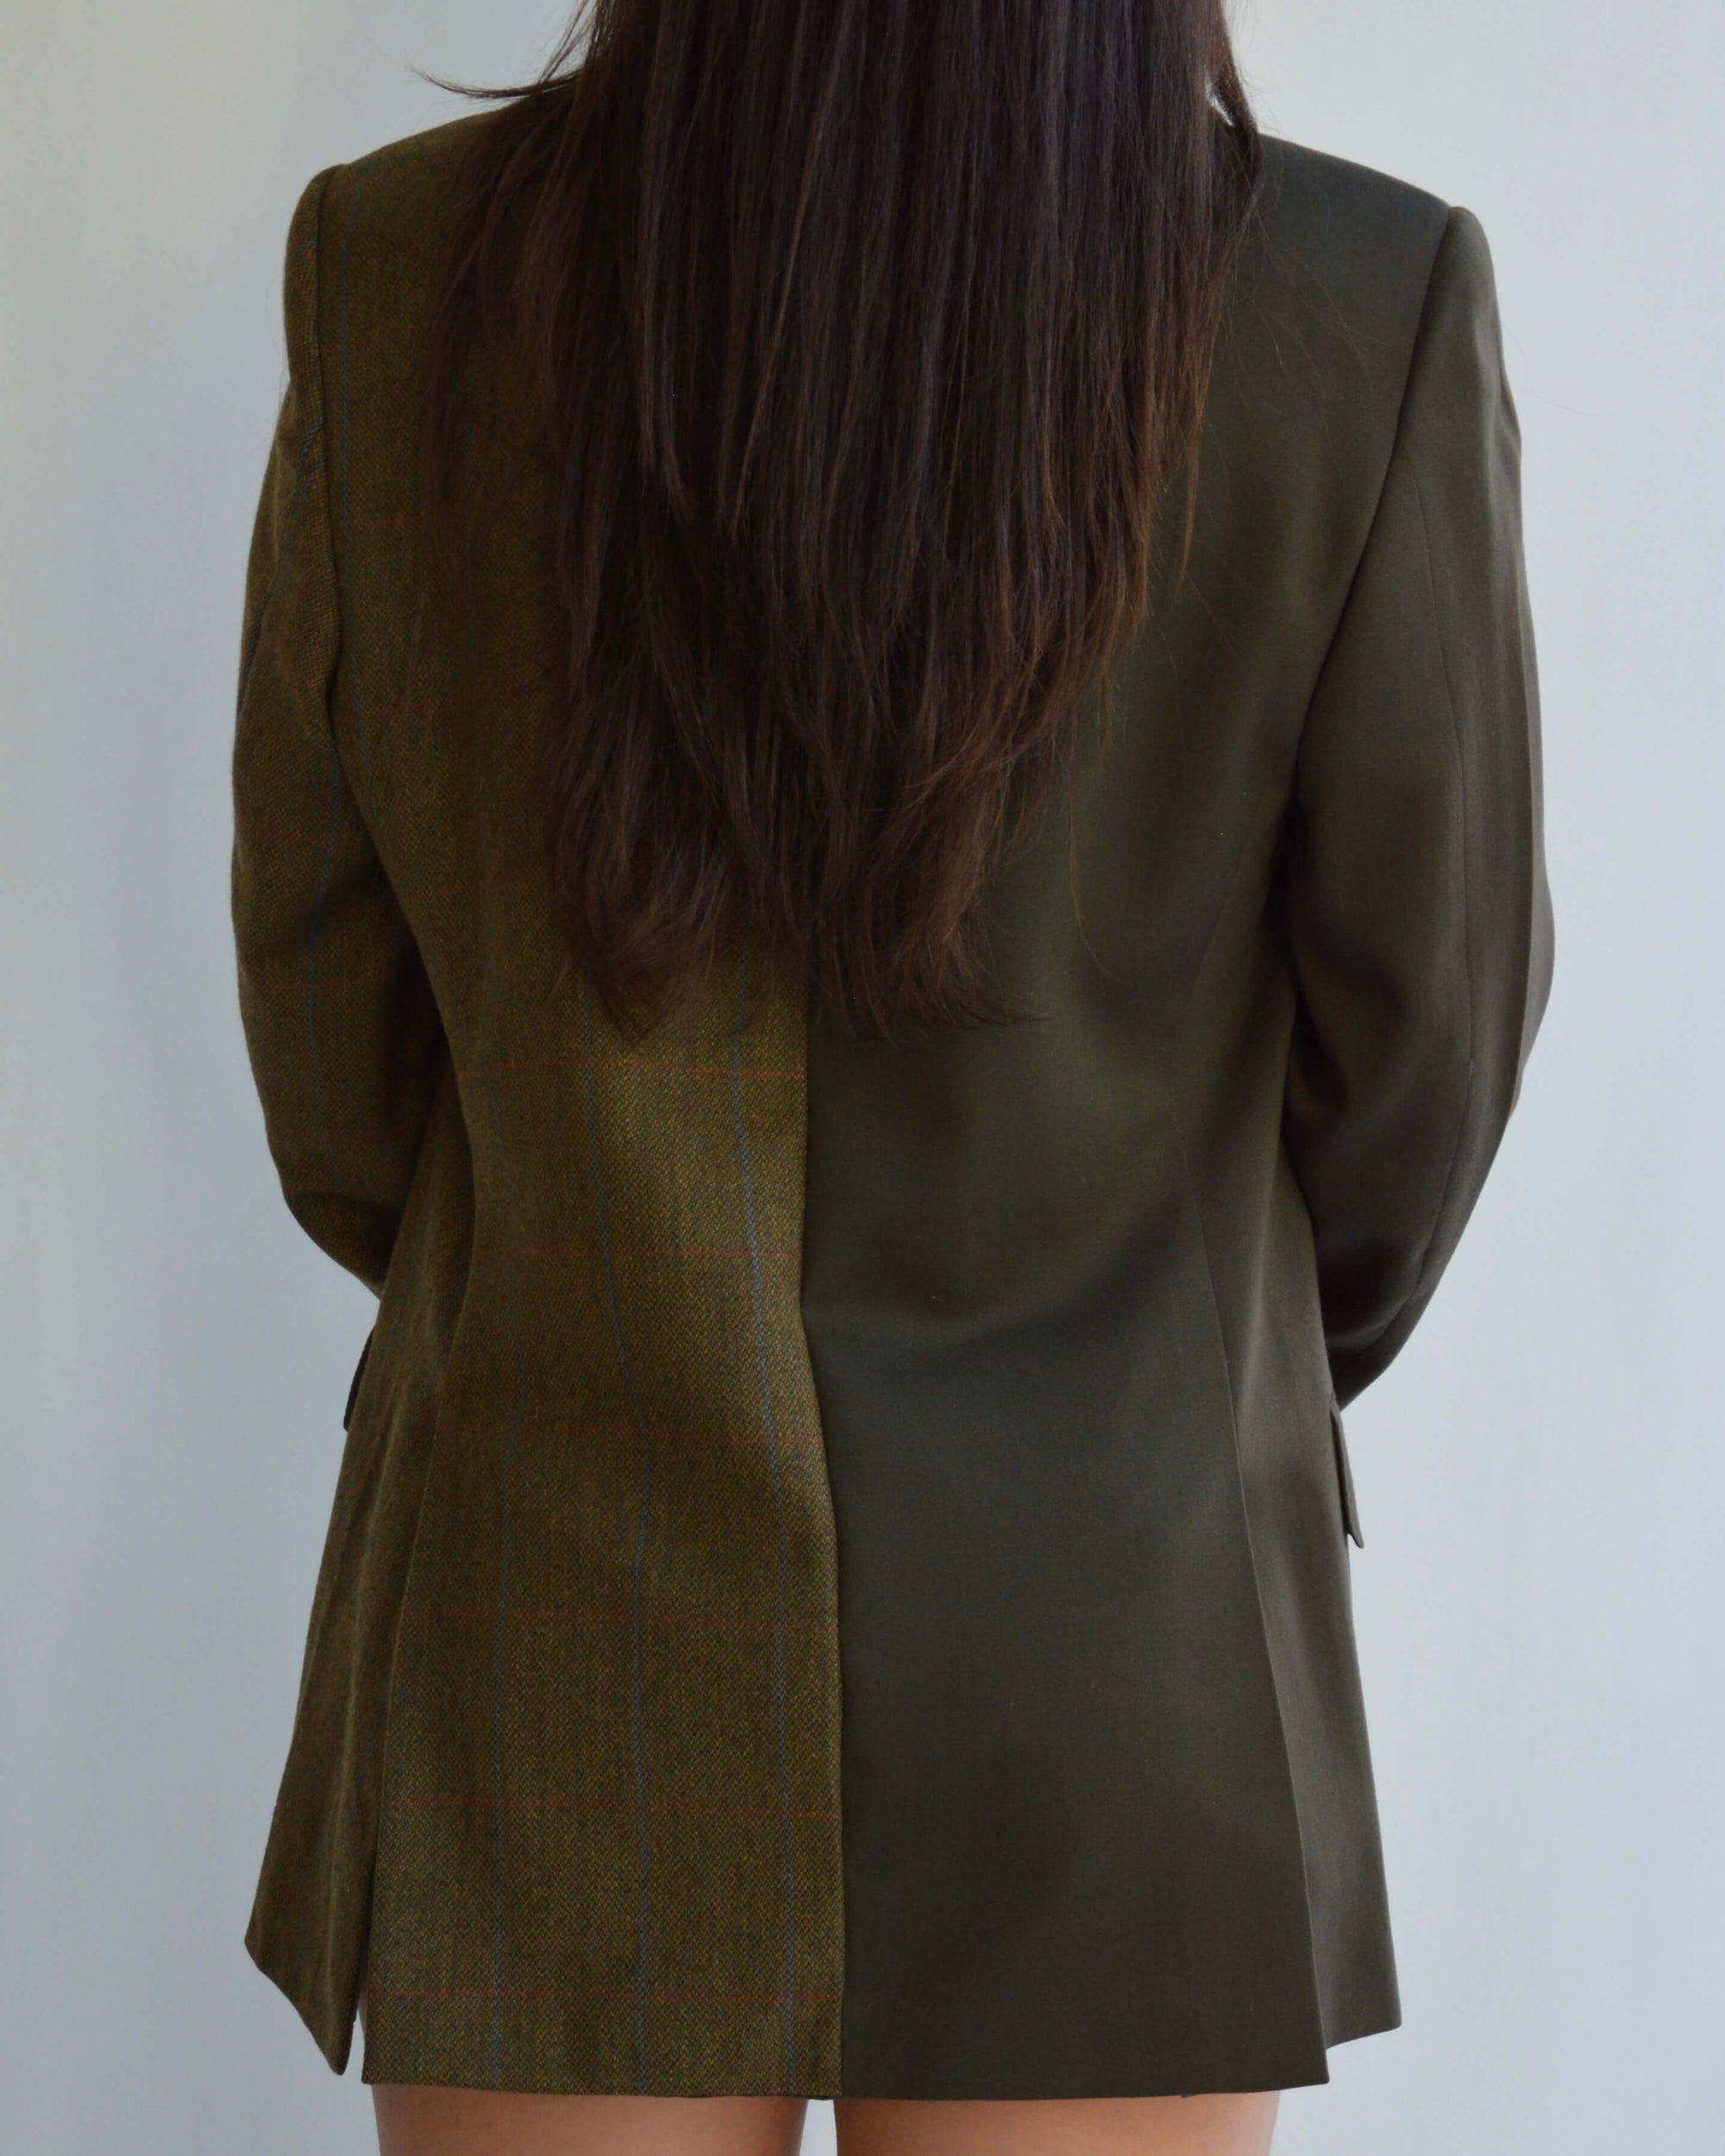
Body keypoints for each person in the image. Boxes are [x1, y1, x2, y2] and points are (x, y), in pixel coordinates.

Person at [229, 2, 1553, 2151]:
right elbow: (1427, 1038)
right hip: (1120, 1611)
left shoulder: (399, 269)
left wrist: (556, 1273)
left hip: (560, 1561)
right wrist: (1179, 1362)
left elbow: (328, 1010)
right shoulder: (1353, 297)